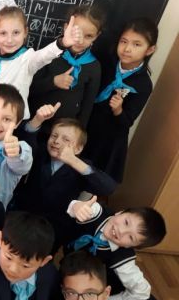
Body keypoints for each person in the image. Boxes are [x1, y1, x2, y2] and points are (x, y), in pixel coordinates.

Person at [10, 105, 116, 251]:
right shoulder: (41, 153)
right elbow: (26, 140)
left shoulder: (80, 166)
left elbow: (108, 187)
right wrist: (37, 120)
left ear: (78, 149)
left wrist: (73, 161)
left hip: (53, 228)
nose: (57, 141)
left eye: (66, 139)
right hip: (22, 215)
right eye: (54, 136)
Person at [0, 1, 74, 131]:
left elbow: (44, 56)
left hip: (11, 122)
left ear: (25, 32)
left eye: (16, 33)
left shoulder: (28, 59)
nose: (9, 40)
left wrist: (62, 43)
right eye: (3, 33)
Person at [67, 199, 166, 300]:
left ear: (133, 246)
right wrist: (76, 206)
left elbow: (141, 291)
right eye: (126, 222)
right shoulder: (97, 212)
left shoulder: (124, 259)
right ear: (120, 212)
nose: (121, 231)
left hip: (106, 280)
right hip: (75, 270)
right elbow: (75, 206)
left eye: (130, 237)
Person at [82, 18, 158, 182]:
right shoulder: (107, 63)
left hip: (107, 141)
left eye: (137, 44)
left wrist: (118, 110)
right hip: (87, 127)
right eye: (124, 41)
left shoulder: (143, 84)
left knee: (90, 180)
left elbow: (127, 122)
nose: (127, 49)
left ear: (150, 50)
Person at [29, 5, 105, 129]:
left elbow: (87, 105)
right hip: (36, 123)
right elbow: (30, 88)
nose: (80, 40)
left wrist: (78, 131)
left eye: (89, 36)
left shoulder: (94, 66)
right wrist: (53, 82)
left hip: (65, 131)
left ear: (96, 36)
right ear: (66, 27)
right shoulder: (50, 53)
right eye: (76, 32)